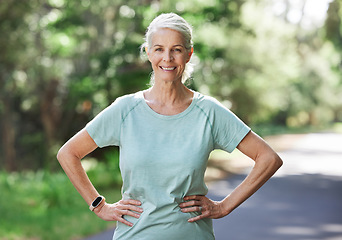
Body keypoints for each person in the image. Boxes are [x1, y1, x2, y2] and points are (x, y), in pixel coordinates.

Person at [57, 13, 283, 240]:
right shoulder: (126, 110)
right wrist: (99, 205)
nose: (167, 58)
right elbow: (69, 153)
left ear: (188, 54)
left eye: (176, 49)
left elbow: (268, 158)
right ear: (148, 52)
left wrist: (224, 206)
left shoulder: (209, 112)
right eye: (159, 49)